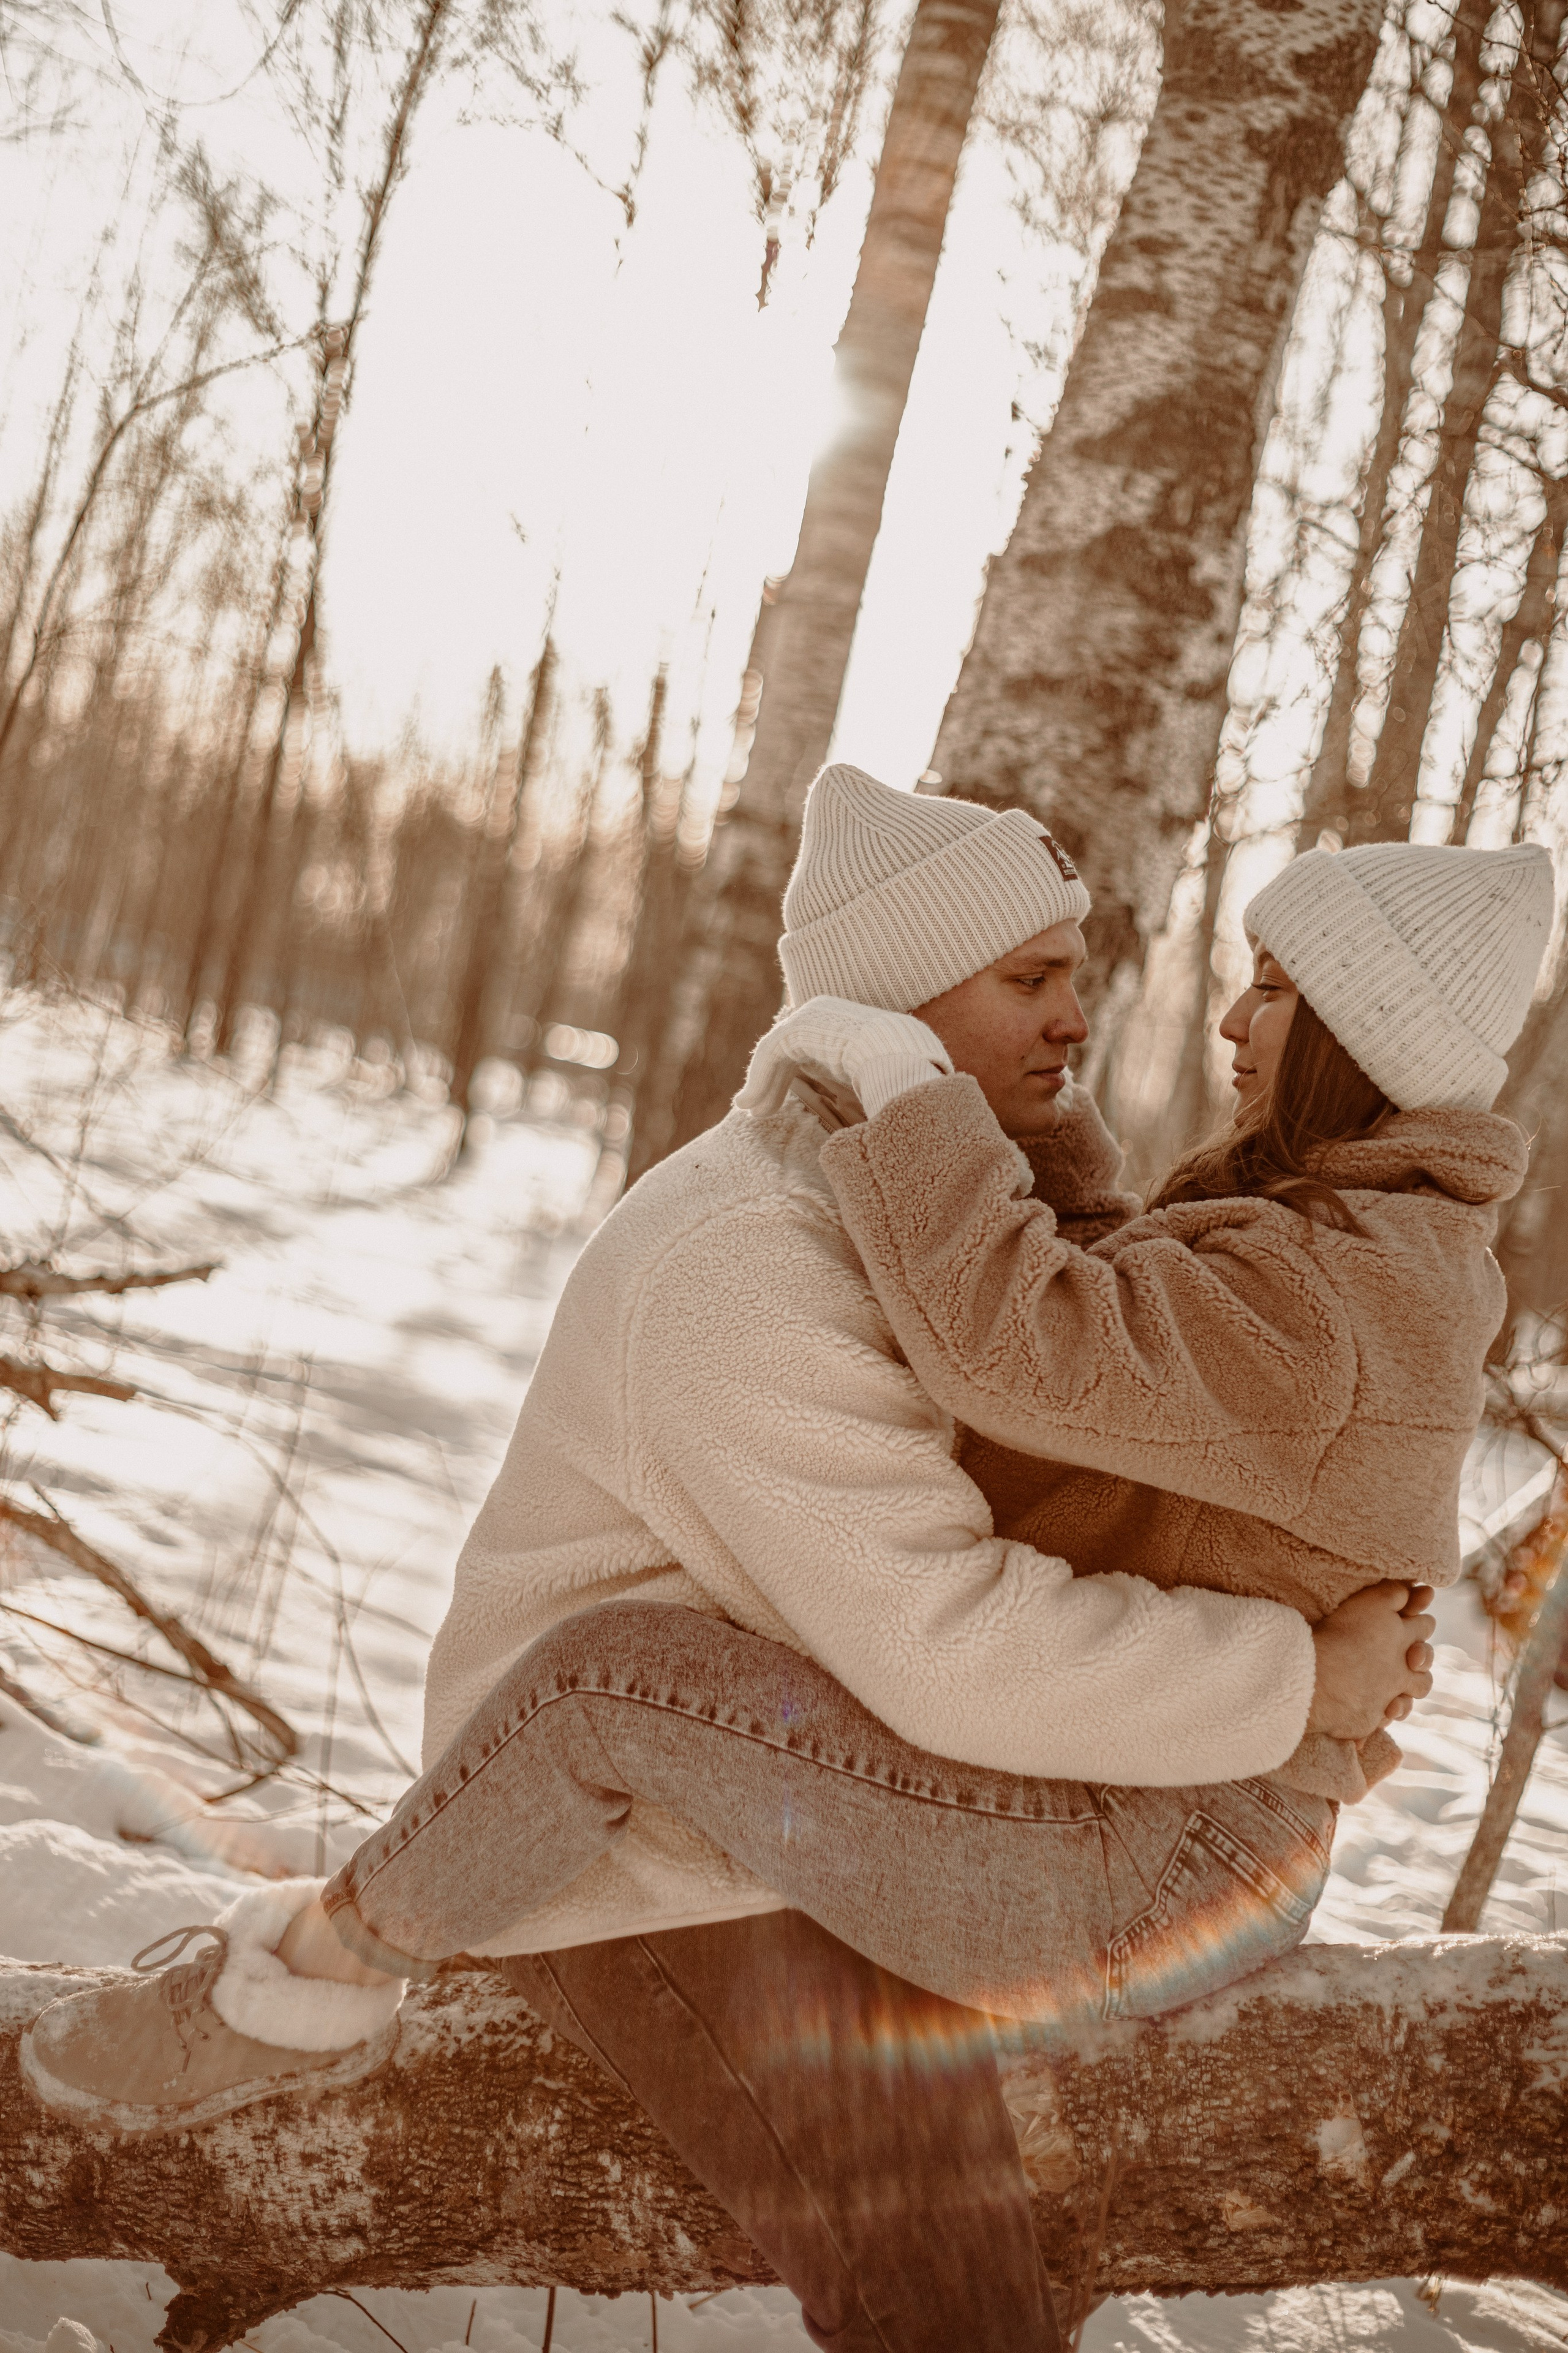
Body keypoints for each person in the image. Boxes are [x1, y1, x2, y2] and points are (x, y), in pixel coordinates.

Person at [24, 772, 1493, 2353]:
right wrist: (1295, 1679)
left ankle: (296, 1976)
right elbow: (958, 1622)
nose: (1091, 1018)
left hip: (875, 1795)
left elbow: (1062, 1326)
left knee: (972, 2290)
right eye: (1032, 978)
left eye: (1079, 973)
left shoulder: (1256, 1256)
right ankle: (278, 1998)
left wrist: (1302, 1681)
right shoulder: (755, 1266)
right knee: (947, 2289)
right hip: (650, 1855)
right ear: (901, 1016)